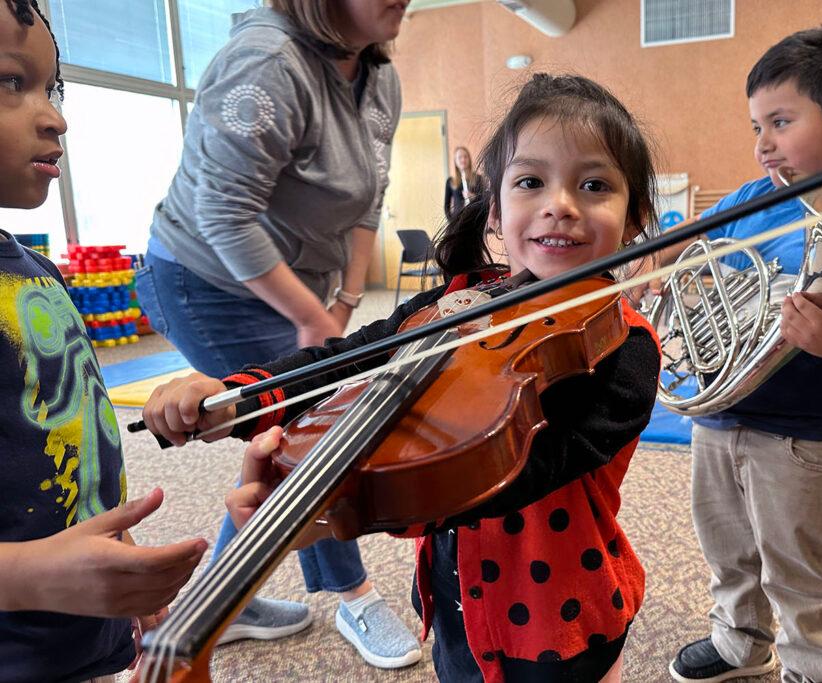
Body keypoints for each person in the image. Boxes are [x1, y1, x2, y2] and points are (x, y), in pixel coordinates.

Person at [142, 73, 662, 682]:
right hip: (455, 596)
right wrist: (240, 398)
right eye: (530, 182)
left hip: (558, 616)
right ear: (496, 211)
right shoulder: (459, 301)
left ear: (635, 220)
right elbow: (350, 358)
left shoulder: (622, 346)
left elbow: (529, 468)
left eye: (594, 185)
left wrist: (345, 502)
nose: (560, 204)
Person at [133, 0, 421, 667]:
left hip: (296, 282)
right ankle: (355, 594)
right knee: (308, 425)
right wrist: (316, 326)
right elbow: (223, 214)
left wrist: (345, 299)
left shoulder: (381, 77)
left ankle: (219, 596)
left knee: (281, 436)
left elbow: (368, 202)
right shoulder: (267, 61)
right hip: (204, 279)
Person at [659, 26, 822, 683]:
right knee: (727, 547)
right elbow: (688, 251)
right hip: (719, 418)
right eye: (757, 125)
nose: (762, 145)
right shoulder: (751, 201)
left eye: (780, 121)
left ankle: (817, 665)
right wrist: (655, 261)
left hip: (808, 438)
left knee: (802, 563)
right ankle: (739, 642)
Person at [0, 2, 207, 680]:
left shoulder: (39, 272)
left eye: (51, 86)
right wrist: (26, 576)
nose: (55, 114)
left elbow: (74, 435)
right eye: (10, 83)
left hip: (81, 633)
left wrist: (116, 545)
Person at [444, 145, 485, 219]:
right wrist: (451, 223)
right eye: (459, 157)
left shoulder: (478, 179)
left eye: (465, 157)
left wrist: (474, 197)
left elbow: (484, 200)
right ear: (455, 161)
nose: (463, 160)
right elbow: (446, 206)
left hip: (475, 219)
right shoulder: (450, 181)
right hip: (457, 220)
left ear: (469, 159)